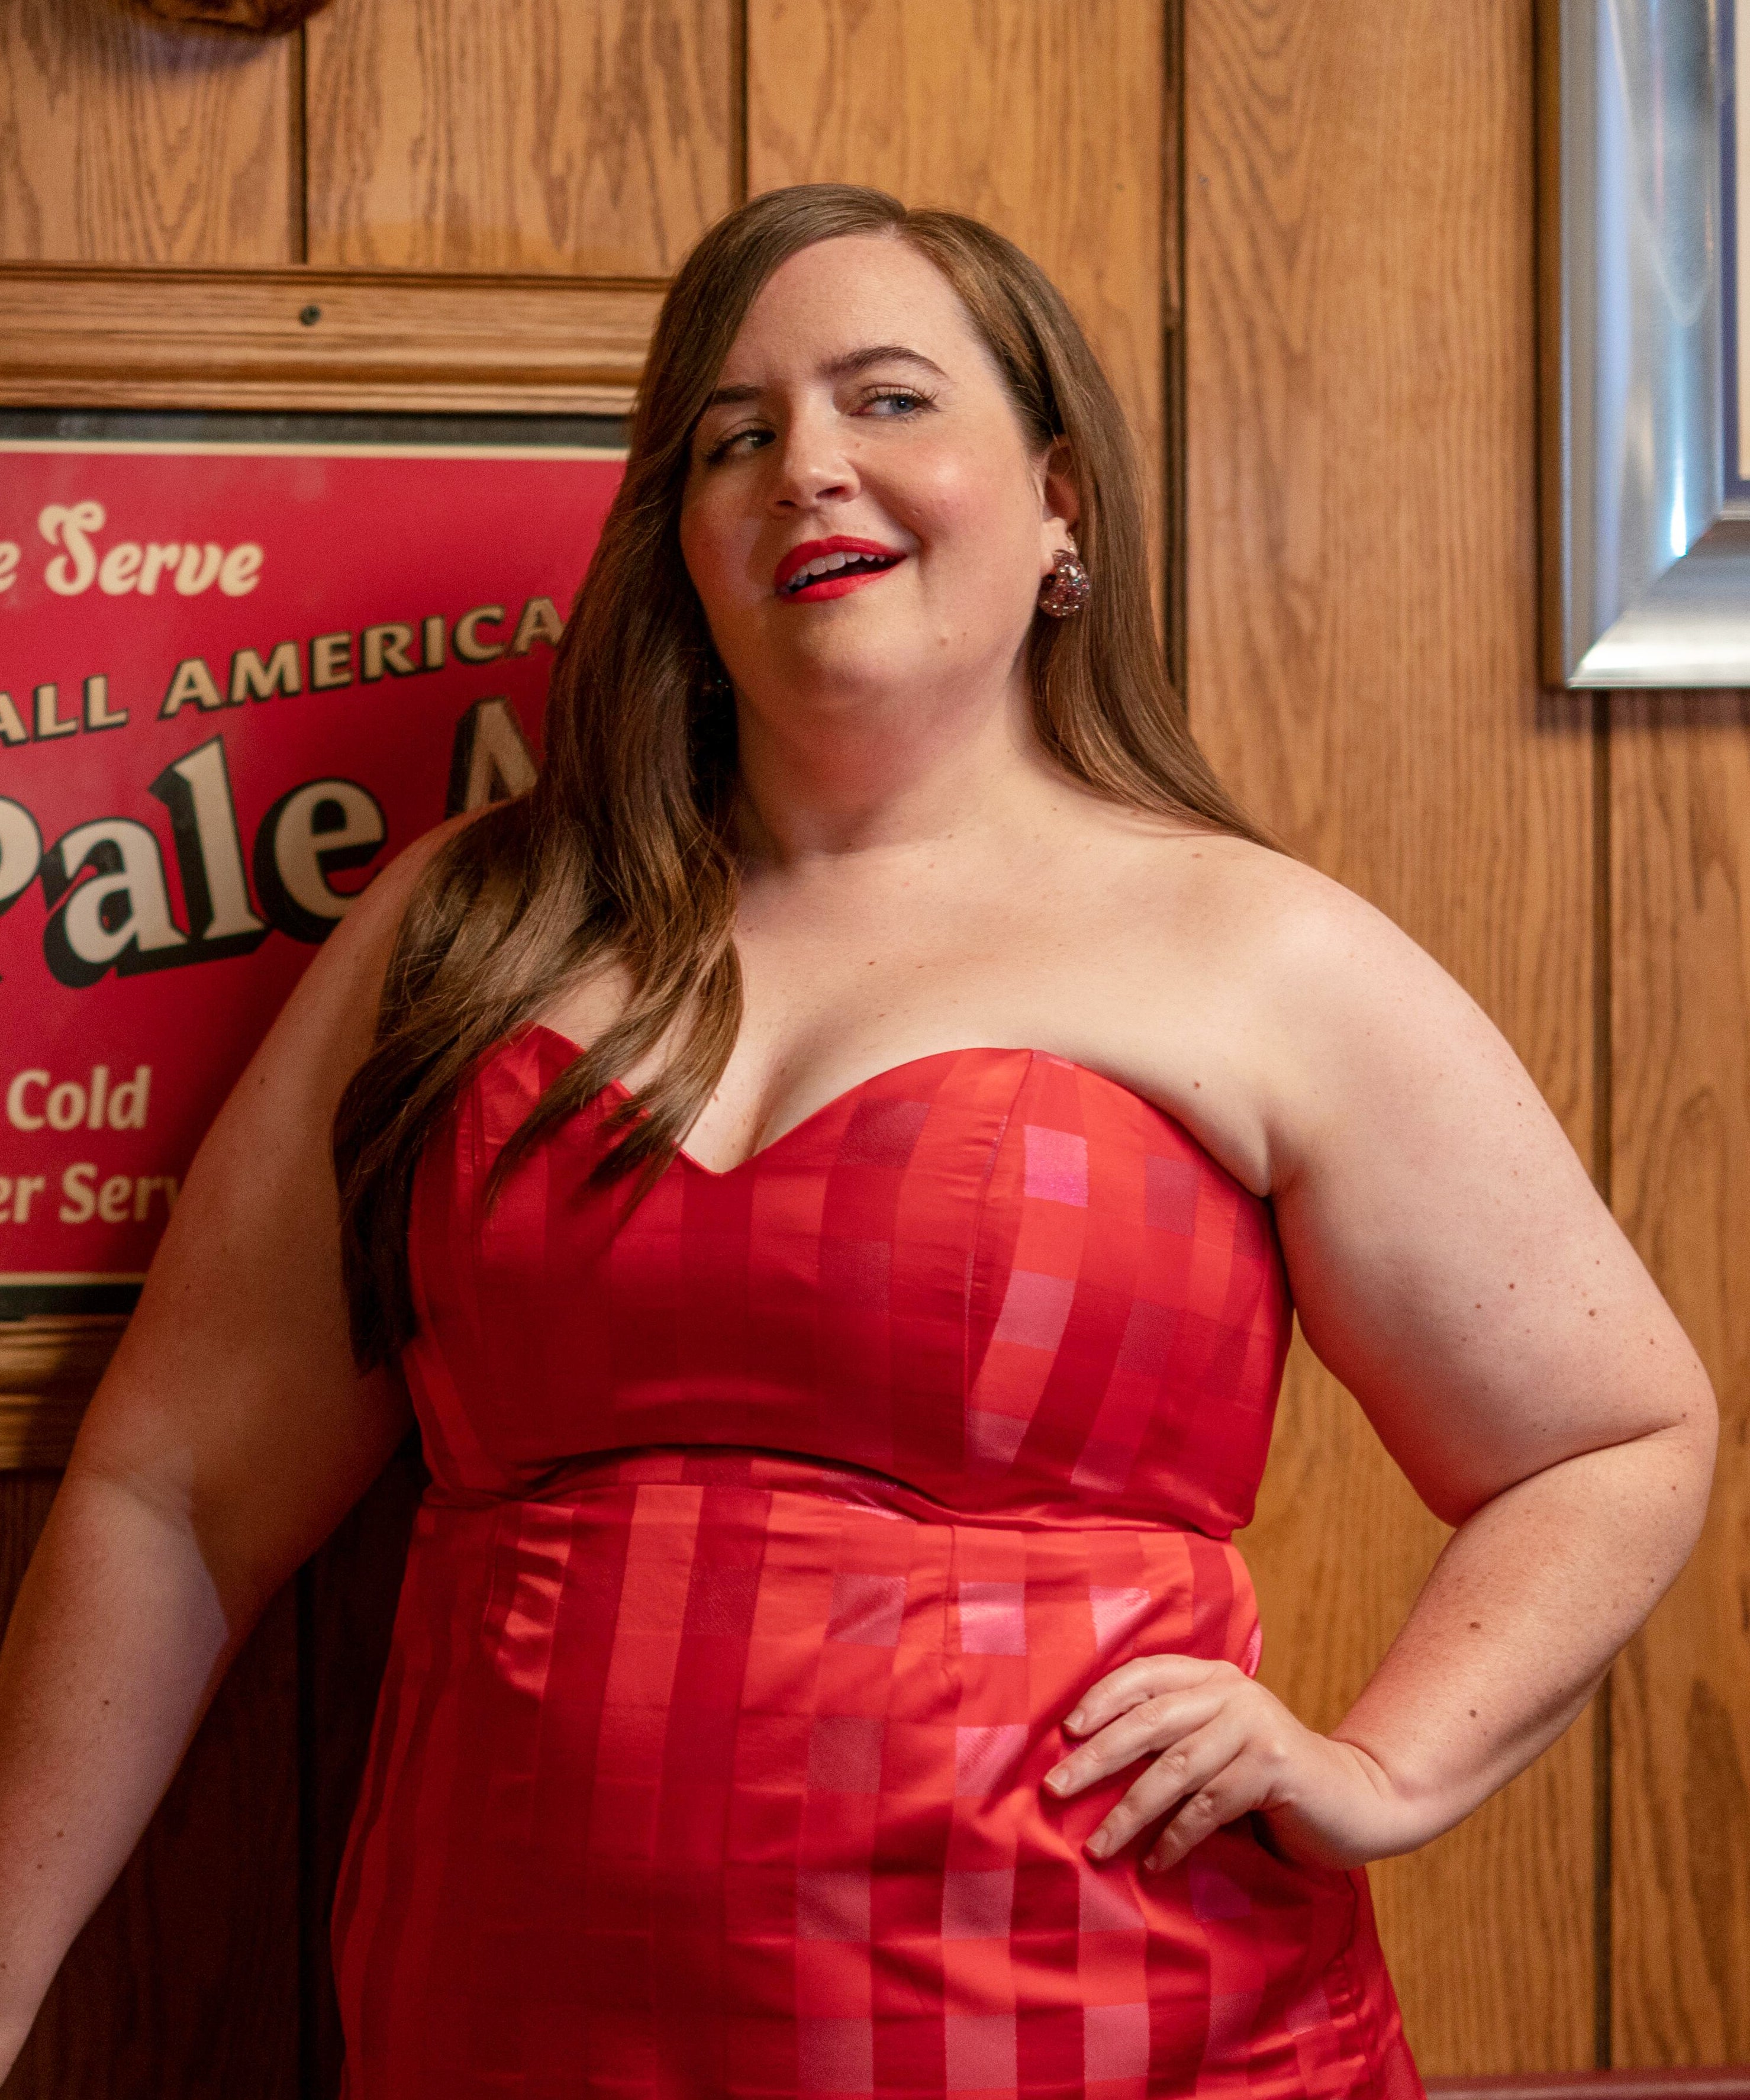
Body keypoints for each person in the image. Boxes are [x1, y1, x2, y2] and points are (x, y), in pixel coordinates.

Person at [0, 185, 1714, 2099]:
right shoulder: (462, 932)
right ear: (683, 540)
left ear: (1061, 499)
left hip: (1119, 2031)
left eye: (888, 401)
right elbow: (173, 1502)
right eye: (737, 435)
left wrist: (1385, 1767)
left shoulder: (1261, 950)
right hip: (501, 2033)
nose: (809, 465)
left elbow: (1613, 1432)